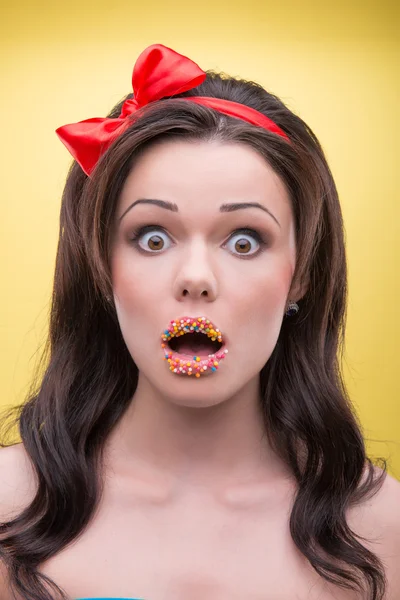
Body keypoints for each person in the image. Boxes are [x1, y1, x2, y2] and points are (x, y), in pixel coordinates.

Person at [0, 43, 399, 600]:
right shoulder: (8, 508)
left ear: (301, 274)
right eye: (153, 237)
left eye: (244, 240)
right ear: (101, 268)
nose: (196, 278)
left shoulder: (385, 531)